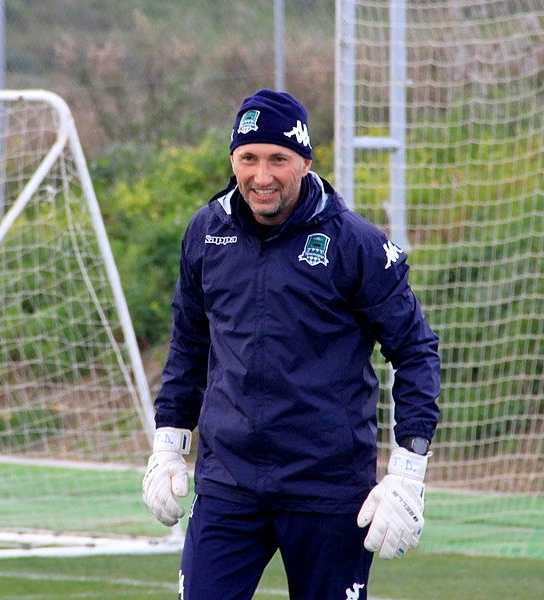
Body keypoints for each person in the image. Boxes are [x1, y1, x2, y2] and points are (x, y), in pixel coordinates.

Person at [142, 89, 441, 600]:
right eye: (248, 158)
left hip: (328, 489)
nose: (262, 176)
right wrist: (168, 444)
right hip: (228, 484)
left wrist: (409, 470)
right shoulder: (206, 232)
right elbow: (190, 343)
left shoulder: (356, 243)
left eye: (278, 159)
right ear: (232, 161)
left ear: (305, 162)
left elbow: (415, 351)